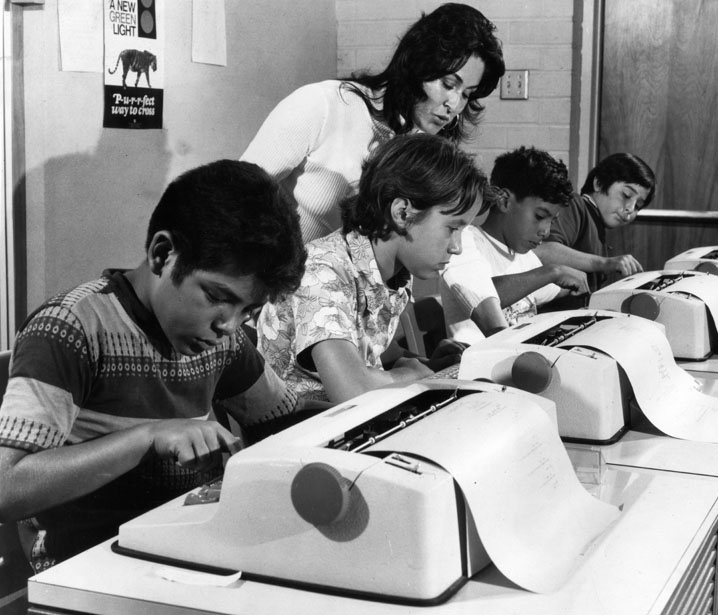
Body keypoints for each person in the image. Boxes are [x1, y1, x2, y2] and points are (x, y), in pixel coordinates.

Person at [0, 160, 309, 571]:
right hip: (86, 568)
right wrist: (148, 438)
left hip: (184, 543)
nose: (229, 325)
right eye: (218, 296)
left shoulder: (222, 340)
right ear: (163, 254)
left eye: (248, 310)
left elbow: (284, 422)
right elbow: (7, 488)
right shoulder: (71, 328)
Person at [241, 2, 504, 242]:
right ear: (417, 65)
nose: (455, 106)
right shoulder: (323, 103)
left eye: (467, 94)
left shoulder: (421, 148)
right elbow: (235, 196)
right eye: (448, 84)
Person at [258, 133, 490, 404]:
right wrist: (412, 375)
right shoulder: (322, 272)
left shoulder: (391, 272)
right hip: (305, 429)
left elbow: (381, 359)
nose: (457, 247)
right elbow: (352, 389)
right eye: (452, 228)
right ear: (402, 213)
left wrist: (429, 364)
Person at [441, 146, 589, 343]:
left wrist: (577, 288)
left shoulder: (523, 256)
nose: (545, 231)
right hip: (477, 367)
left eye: (551, 221)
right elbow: (483, 293)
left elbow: (555, 288)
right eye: (540, 216)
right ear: (504, 201)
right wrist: (553, 272)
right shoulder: (465, 242)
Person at [535, 153, 656, 296]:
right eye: (626, 195)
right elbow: (542, 251)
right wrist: (605, 263)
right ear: (598, 183)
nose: (630, 208)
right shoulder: (575, 204)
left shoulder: (599, 225)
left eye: (638, 206)